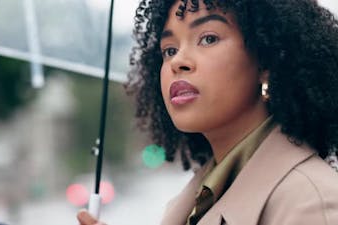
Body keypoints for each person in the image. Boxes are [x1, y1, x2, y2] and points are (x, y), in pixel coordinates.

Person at [77, 0, 338, 224]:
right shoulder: (201, 199)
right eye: (169, 50)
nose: (178, 61)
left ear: (266, 61)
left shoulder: (311, 202)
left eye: (208, 38)